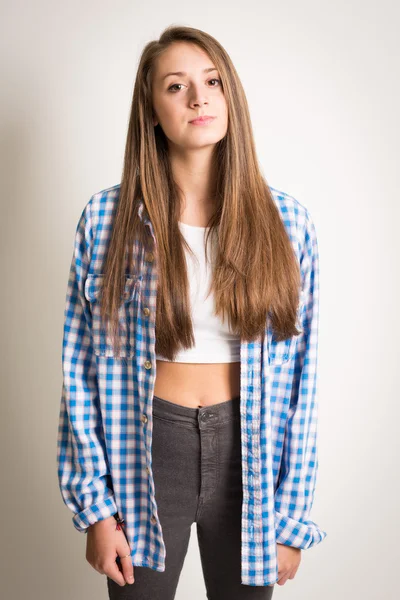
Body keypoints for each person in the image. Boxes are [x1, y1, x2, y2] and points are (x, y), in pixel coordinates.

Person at [56, 24, 327, 600]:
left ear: (231, 97)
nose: (199, 98)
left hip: (248, 456)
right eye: (176, 86)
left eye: (212, 82)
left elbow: (303, 381)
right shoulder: (107, 221)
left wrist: (292, 519)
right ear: (151, 110)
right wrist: (96, 510)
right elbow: (78, 370)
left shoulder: (288, 224)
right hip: (146, 451)